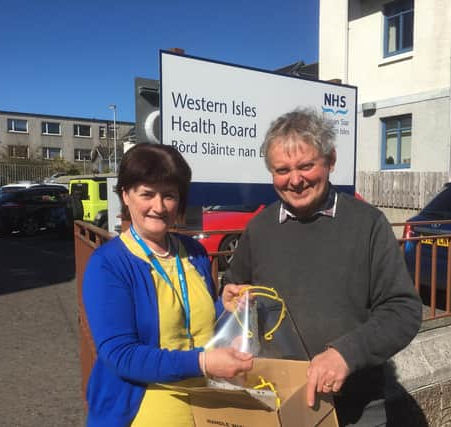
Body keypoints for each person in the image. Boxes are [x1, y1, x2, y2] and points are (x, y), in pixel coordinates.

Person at [223, 108, 422, 426]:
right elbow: (234, 289)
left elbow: (403, 310)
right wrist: (234, 306)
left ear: (330, 160)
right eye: (282, 170)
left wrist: (346, 354)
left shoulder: (367, 224)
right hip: (278, 402)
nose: (295, 180)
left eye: (306, 166)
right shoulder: (259, 228)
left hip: (357, 405)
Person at [82, 143, 254, 427]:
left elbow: (194, 325)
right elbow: (121, 354)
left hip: (210, 408)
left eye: (169, 196)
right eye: (147, 194)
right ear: (126, 195)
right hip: (140, 413)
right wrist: (202, 363)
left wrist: (224, 307)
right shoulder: (108, 264)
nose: (159, 207)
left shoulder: (193, 252)